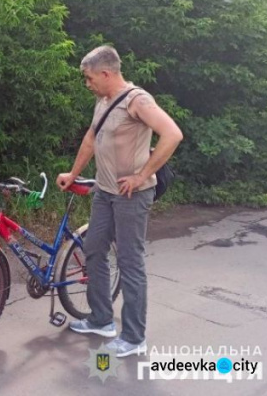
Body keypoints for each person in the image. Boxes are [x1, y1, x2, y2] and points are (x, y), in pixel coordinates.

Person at [56, 45, 183, 357]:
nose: (87, 83)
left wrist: (141, 175)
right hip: (105, 192)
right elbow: (90, 139)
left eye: (88, 78)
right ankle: (101, 319)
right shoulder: (103, 101)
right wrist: (73, 174)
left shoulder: (137, 100)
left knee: (129, 262)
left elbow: (172, 134)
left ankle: (134, 336)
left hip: (131, 196)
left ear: (106, 73)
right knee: (94, 249)